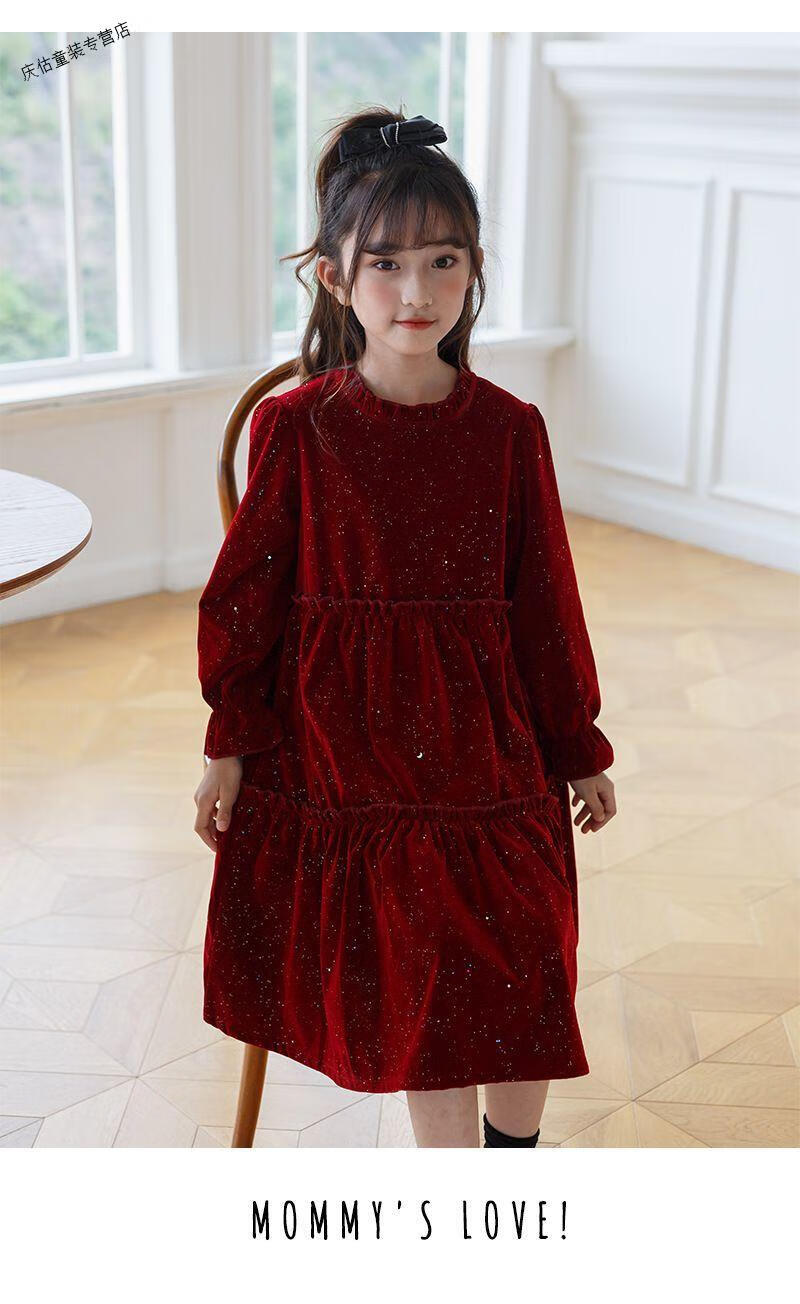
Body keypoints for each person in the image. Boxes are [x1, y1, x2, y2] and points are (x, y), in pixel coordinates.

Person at [194, 108, 617, 1149]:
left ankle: (513, 1161)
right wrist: (227, 744)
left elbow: (545, 604)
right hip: (347, 757)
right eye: (385, 263)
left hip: (489, 753)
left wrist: (577, 744)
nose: (417, 290)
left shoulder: (510, 430)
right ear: (336, 279)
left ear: (474, 271)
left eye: (443, 260)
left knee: (523, 962)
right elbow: (245, 603)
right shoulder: (296, 429)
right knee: (427, 990)